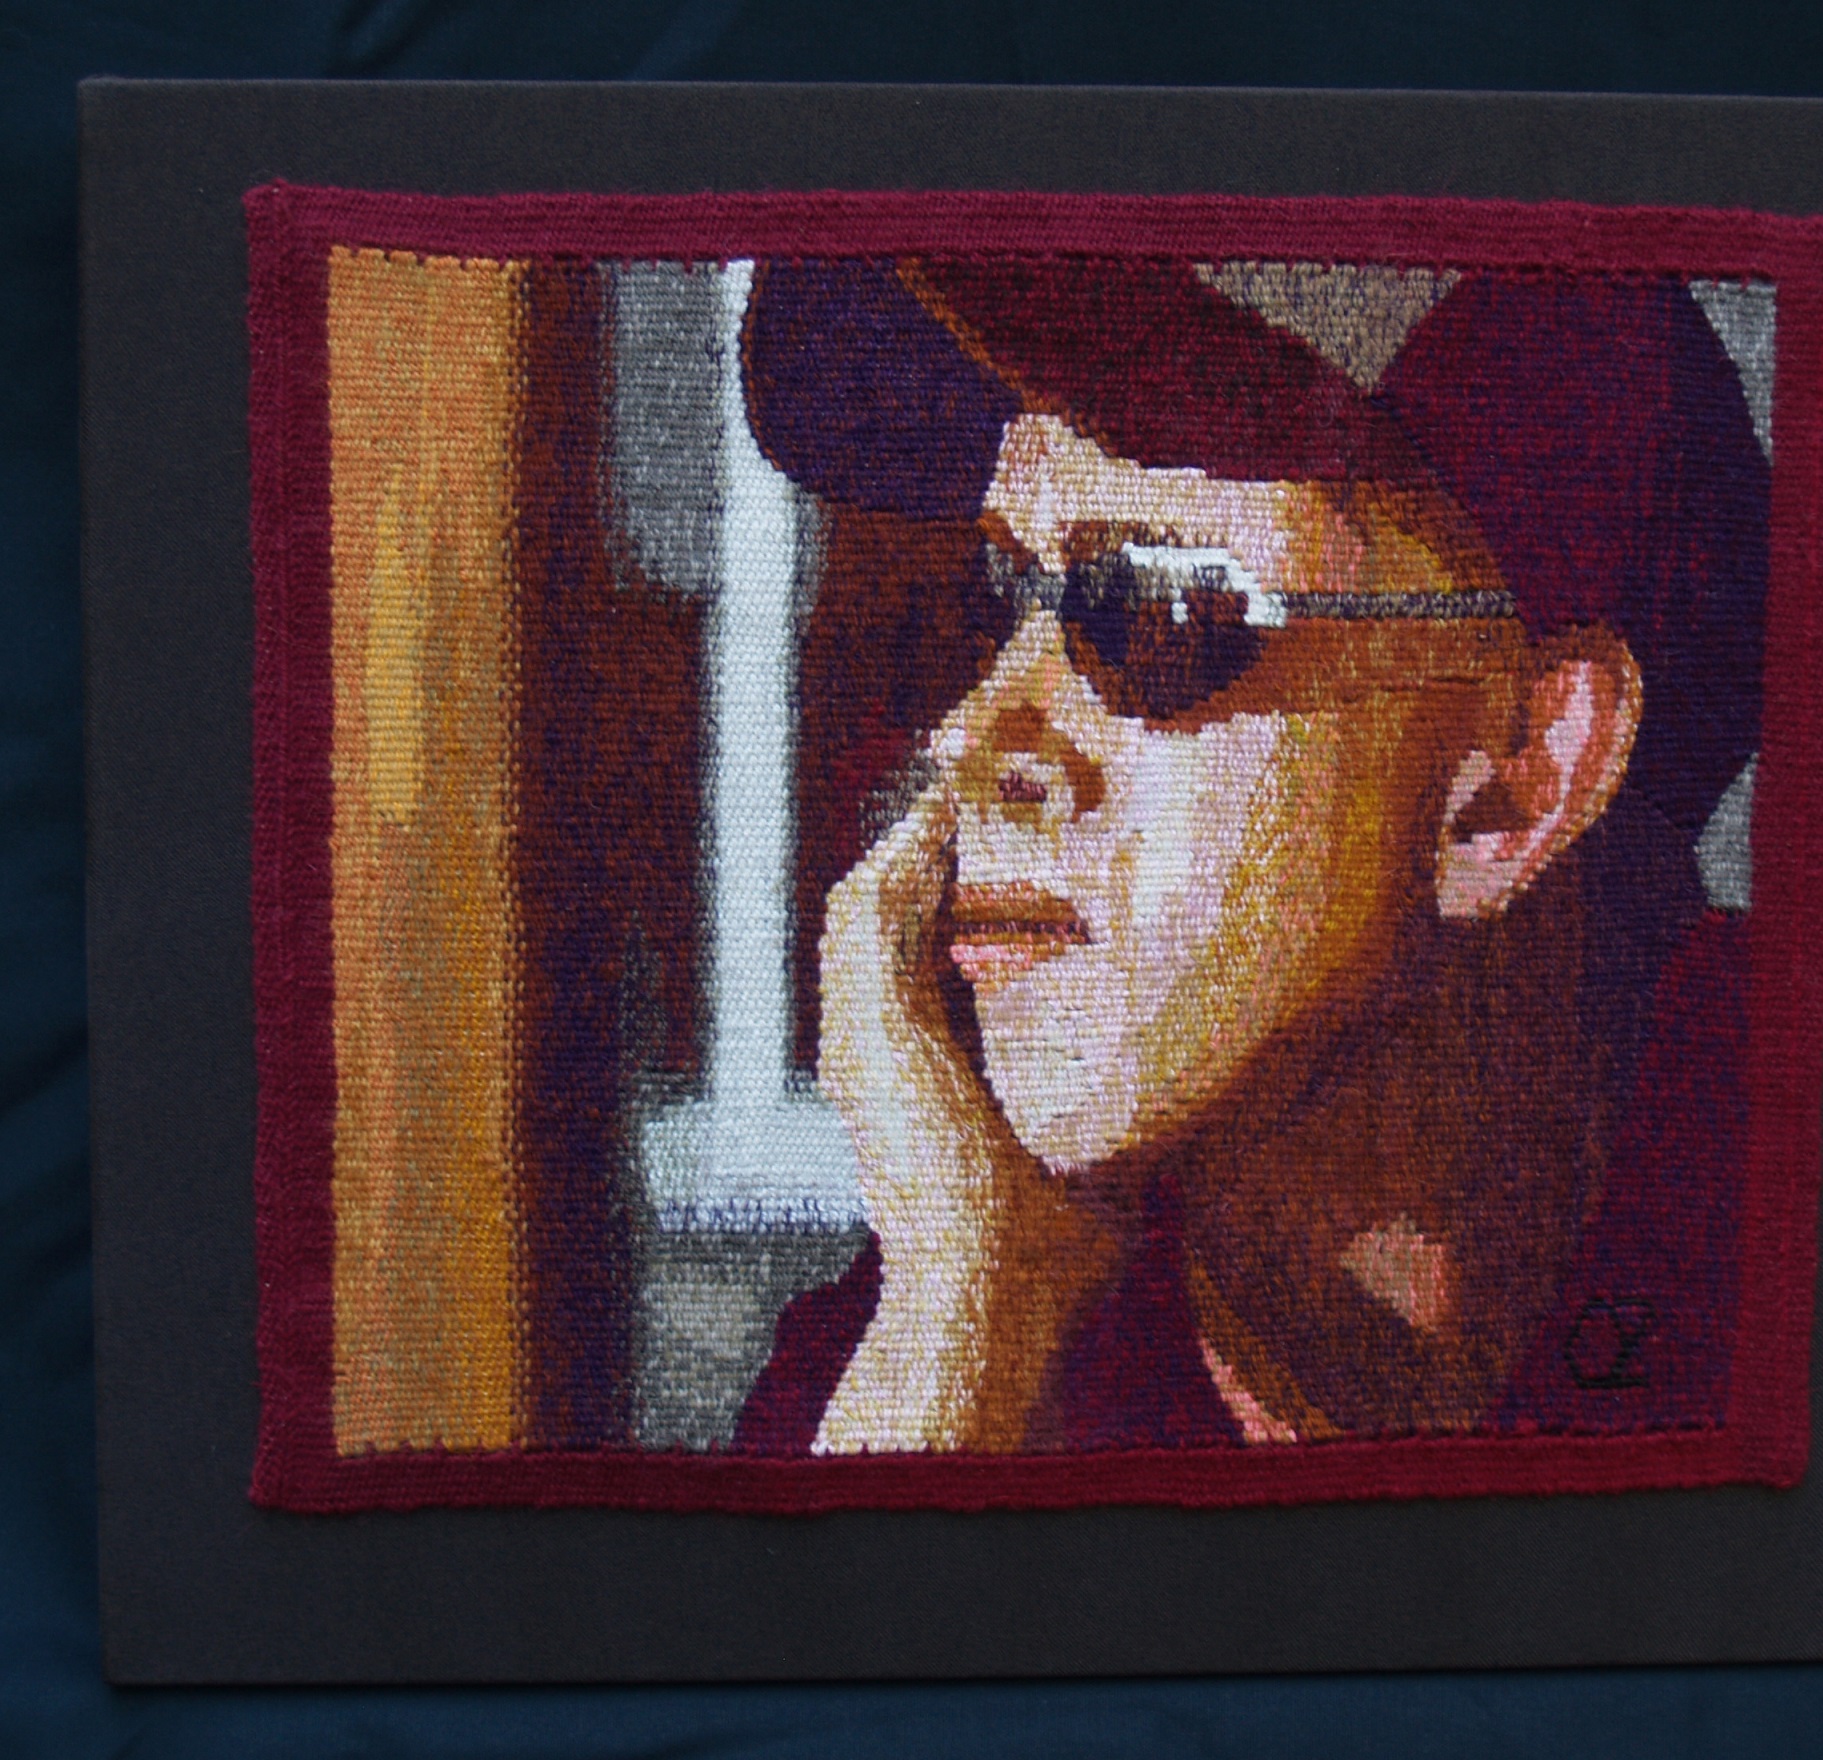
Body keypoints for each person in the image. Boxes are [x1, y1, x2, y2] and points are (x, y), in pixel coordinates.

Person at [731, 255, 1768, 1454]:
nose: (973, 739)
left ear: (1518, 773)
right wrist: (953, 1328)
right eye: (995, 603)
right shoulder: (955, 1298)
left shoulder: (1811, 1218)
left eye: (1154, 612)